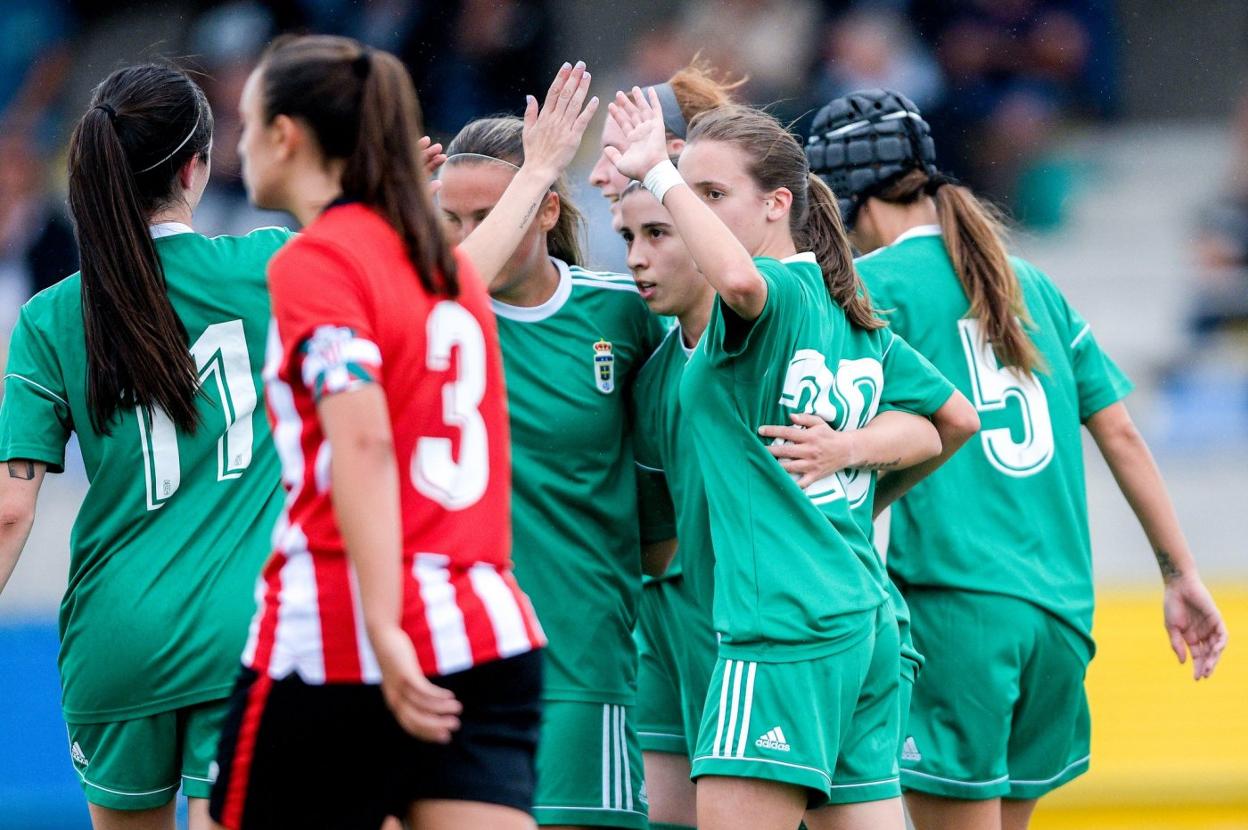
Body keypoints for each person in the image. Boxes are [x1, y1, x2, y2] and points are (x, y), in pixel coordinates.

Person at [806, 88, 1230, 830]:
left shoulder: (871, 290)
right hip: (1061, 621)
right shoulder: (1034, 285)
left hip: (956, 606)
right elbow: (1124, 437)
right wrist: (1180, 574)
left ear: (848, 204)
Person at [209, 35, 544, 830]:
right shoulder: (444, 264)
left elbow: (360, 441)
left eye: (246, 120)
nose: (239, 140)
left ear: (286, 135)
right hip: (486, 629)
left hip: (341, 633)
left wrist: (386, 633)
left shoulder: (317, 260)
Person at [606, 90, 942, 830]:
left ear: (776, 204)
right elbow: (946, 422)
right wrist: (852, 463)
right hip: (862, 617)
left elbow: (738, 281)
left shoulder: (776, 291)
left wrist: (659, 172)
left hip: (780, 629)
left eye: (712, 195)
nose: (692, 210)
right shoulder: (844, 302)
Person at [0, 64, 290, 830]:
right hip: (239, 631)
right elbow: (427, 283)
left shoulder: (48, 314)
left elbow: (8, 512)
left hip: (112, 636)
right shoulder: (266, 268)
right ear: (196, 167)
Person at [435, 61, 665, 830]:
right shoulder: (437, 320)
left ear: (544, 212)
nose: (467, 238)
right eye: (450, 218)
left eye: (488, 213)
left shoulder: (623, 315)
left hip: (580, 663)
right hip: (449, 667)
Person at [589, 57, 744, 830]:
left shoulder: (766, 313)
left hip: (759, 630)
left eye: (610, 157)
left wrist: (853, 462)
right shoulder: (643, 345)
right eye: (628, 237)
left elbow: (933, 420)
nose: (593, 178)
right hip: (666, 627)